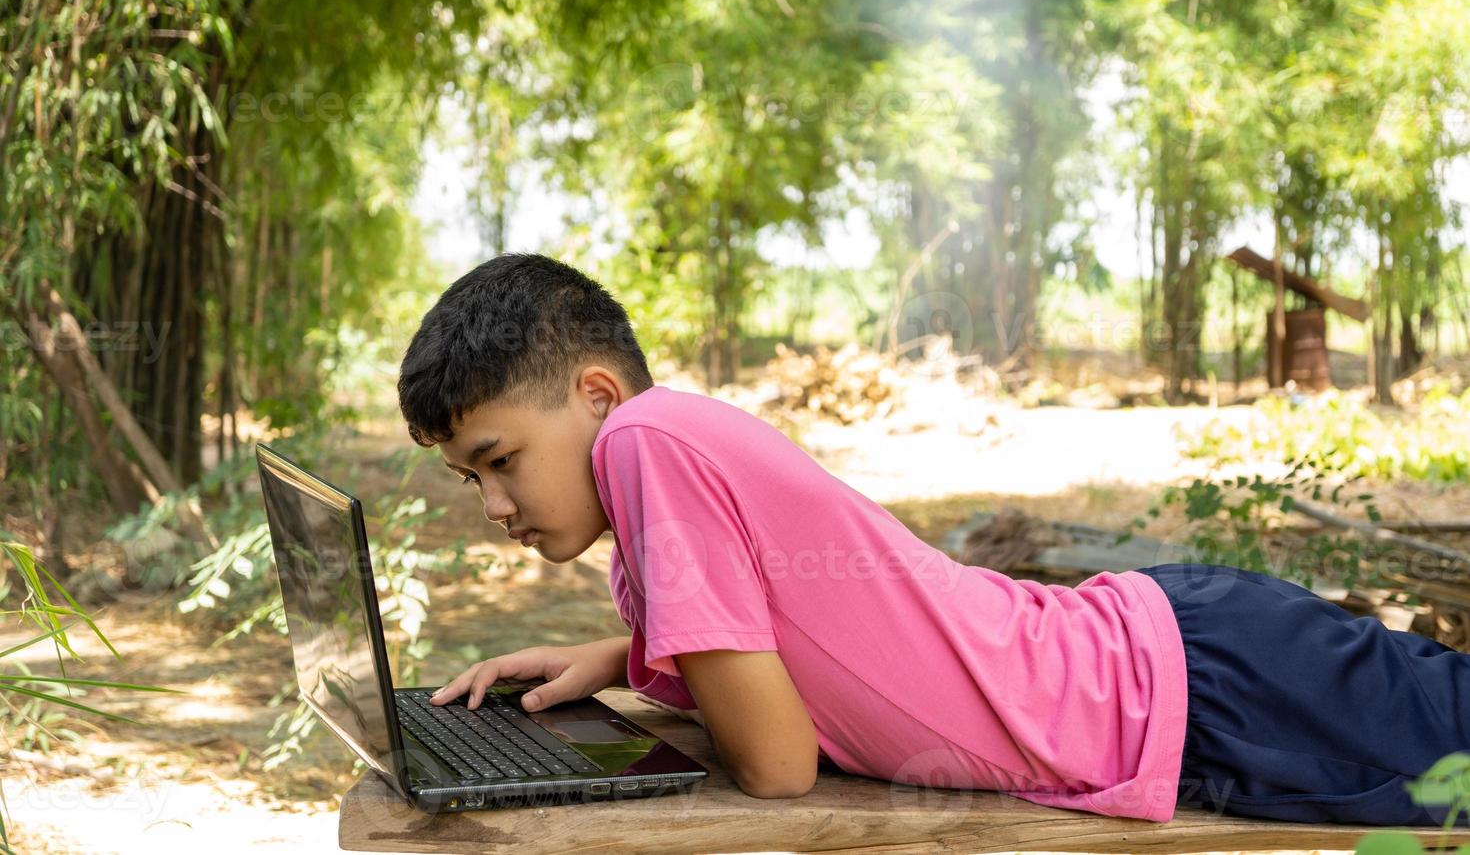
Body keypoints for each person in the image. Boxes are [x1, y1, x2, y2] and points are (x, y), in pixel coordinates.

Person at [398, 252, 1470, 823]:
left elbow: (776, 764)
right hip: (1180, 666)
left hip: (1197, 686)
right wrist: (621, 659)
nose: (495, 502)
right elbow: (805, 645)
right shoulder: (655, 464)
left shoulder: (646, 442)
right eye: (468, 477)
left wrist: (648, 677)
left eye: (500, 458)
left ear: (594, 393)